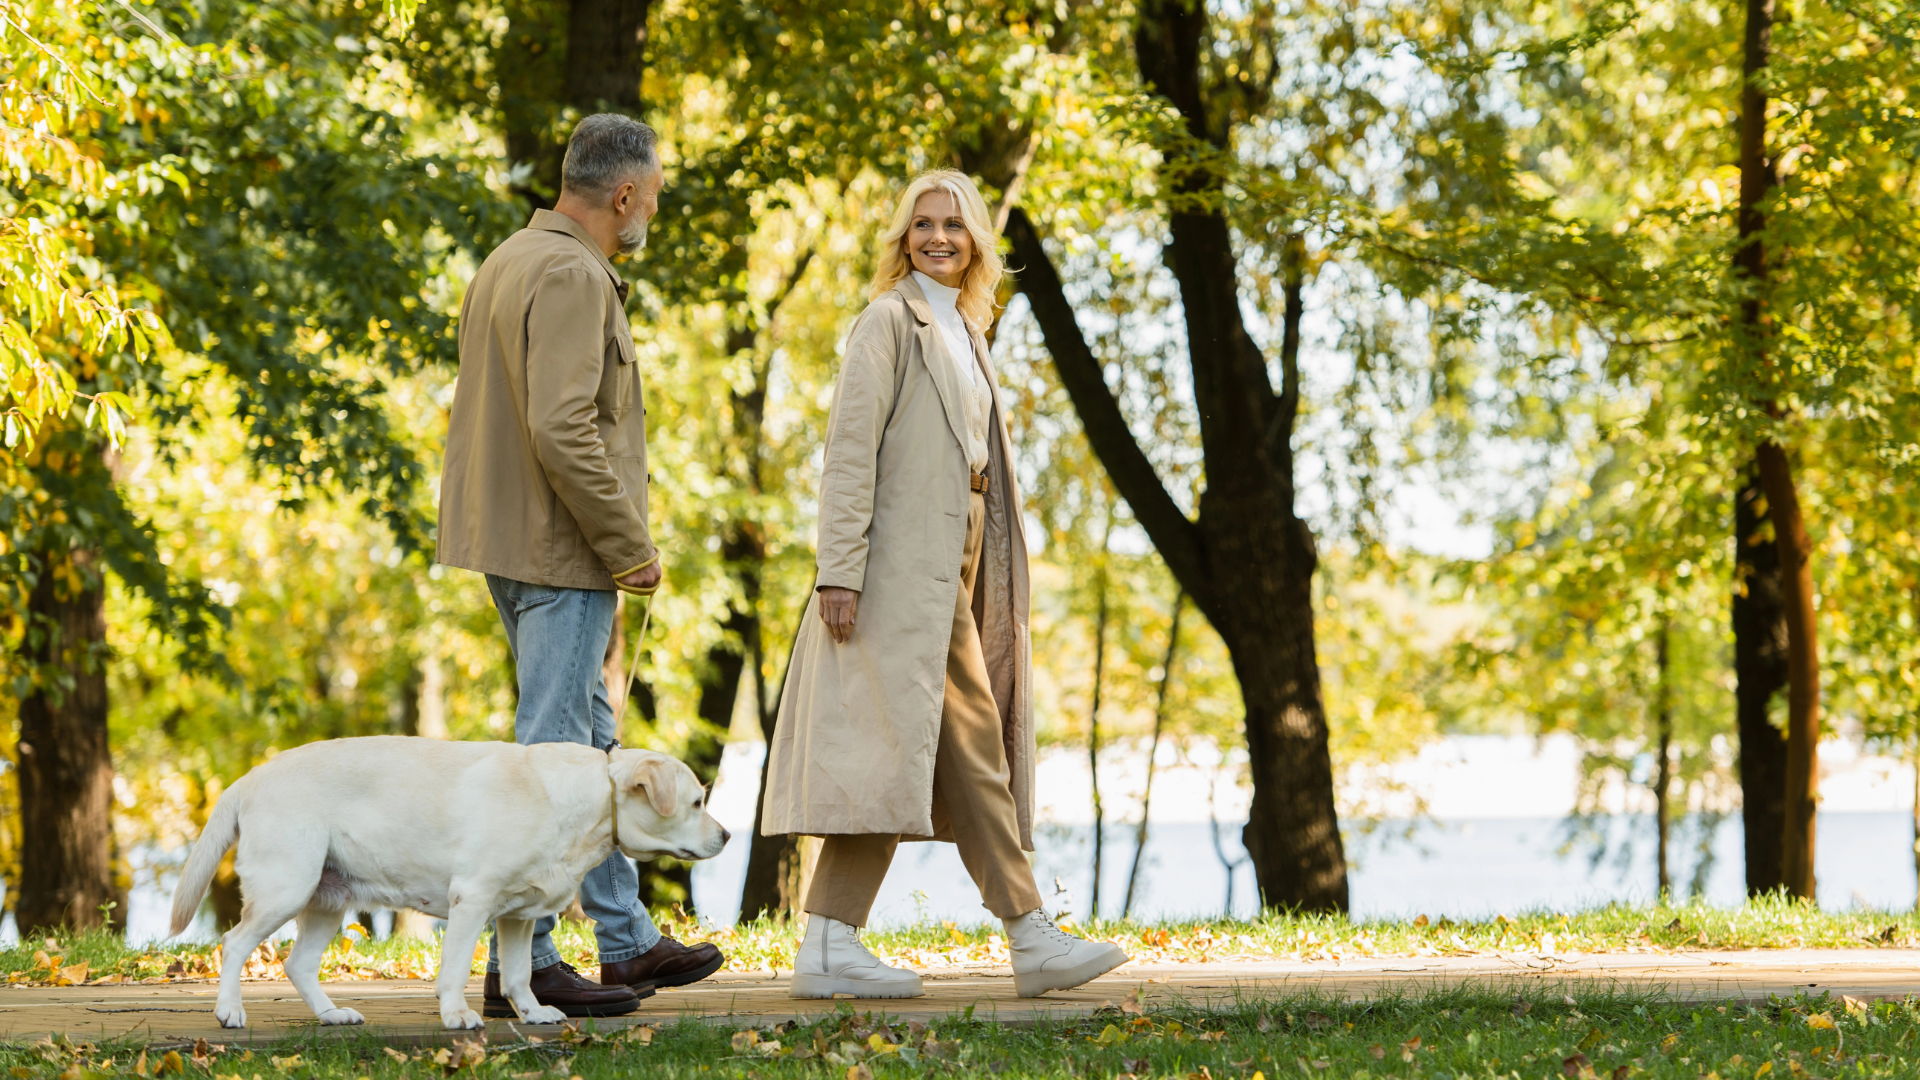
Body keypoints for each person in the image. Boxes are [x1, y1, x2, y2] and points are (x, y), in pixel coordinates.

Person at [761, 170, 1130, 999]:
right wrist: (839, 570)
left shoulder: (965, 327)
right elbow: (848, 452)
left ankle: (830, 945)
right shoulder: (887, 322)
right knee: (963, 737)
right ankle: (1027, 932)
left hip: (956, 557)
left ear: (976, 243)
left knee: (930, 746)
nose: (937, 237)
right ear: (903, 239)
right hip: (897, 567)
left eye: (953, 225)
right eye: (923, 224)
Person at [437, 113, 725, 1018]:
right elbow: (562, 427)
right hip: (561, 549)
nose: (655, 213)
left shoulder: (510, 258)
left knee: (594, 749)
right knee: (552, 762)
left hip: (518, 539)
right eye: (657, 196)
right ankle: (522, 965)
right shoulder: (570, 272)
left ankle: (627, 942)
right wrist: (626, 542)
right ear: (626, 194)